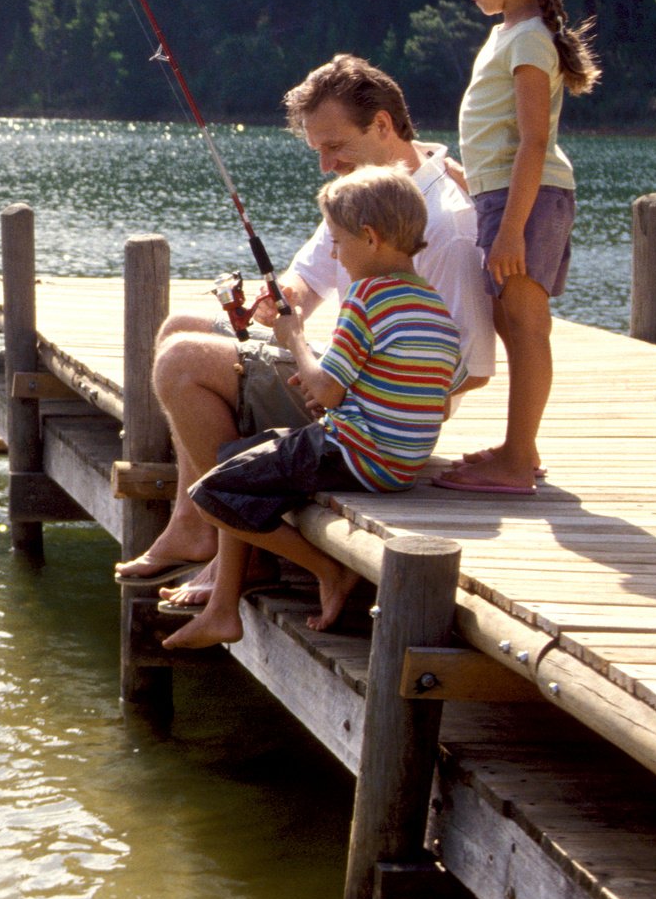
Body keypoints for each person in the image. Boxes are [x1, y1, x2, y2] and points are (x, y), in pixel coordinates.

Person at [112, 55, 493, 597]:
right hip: (346, 370)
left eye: (334, 146)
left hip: (370, 410)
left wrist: (341, 387)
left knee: (183, 362)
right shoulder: (367, 194)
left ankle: (235, 553)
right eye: (318, 150)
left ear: (382, 125)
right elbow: (306, 281)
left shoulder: (446, 225)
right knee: (182, 323)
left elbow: (468, 368)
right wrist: (279, 301)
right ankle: (193, 527)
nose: (325, 164)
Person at [162, 168, 465, 650]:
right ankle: (229, 601)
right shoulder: (432, 304)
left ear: (371, 238)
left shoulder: (367, 297)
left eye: (339, 245)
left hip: (353, 453)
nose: (336, 256)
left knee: (211, 492)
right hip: (400, 465)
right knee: (240, 455)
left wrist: (294, 336)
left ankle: (326, 570)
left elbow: (326, 393)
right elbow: (435, 390)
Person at [431, 0, 600, 495]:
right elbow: (502, 146)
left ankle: (518, 459)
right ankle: (518, 449)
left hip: (525, 201)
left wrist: (507, 229)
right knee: (511, 319)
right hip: (506, 197)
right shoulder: (510, 33)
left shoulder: (528, 38)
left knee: (525, 324)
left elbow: (532, 143)